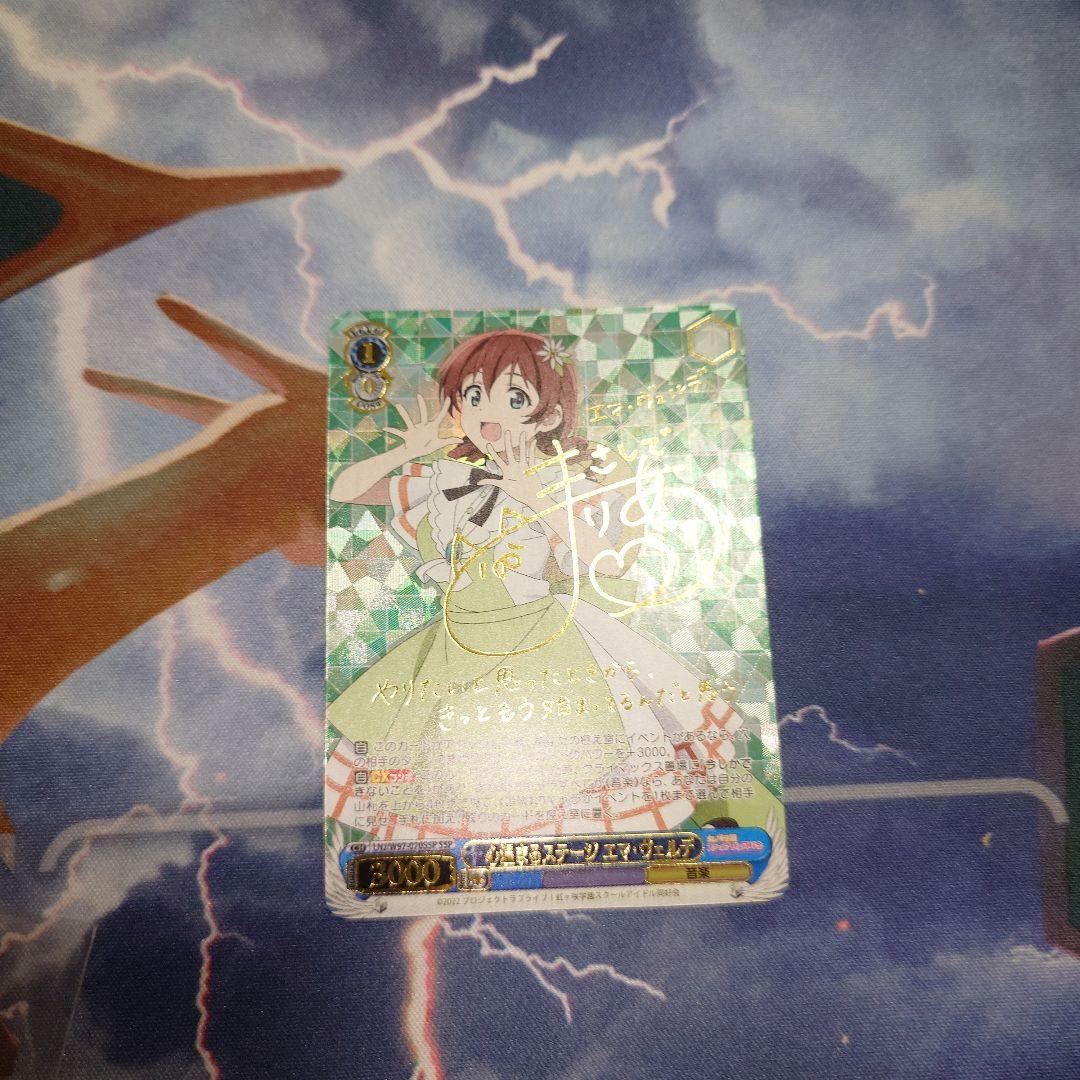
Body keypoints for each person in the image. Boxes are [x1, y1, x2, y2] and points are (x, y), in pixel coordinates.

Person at [326, 329, 778, 838]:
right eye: (473, 395)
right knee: (446, 756)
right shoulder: (448, 479)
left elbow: (608, 564)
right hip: (459, 638)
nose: (488, 412)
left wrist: (536, 498)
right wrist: (407, 451)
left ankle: (733, 830)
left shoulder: (565, 483)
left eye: (515, 398)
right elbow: (345, 490)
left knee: (605, 748)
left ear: (550, 415)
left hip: (540, 635)